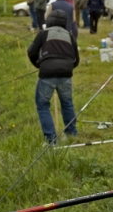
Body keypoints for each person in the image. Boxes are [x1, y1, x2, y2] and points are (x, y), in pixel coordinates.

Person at [27, 10, 80, 144]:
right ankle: (71, 134)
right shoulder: (70, 35)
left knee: (43, 105)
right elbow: (76, 59)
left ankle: (51, 139)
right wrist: (67, 68)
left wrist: (38, 65)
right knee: (67, 103)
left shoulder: (44, 33)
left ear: (49, 20)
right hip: (66, 74)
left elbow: (31, 51)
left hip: (47, 73)